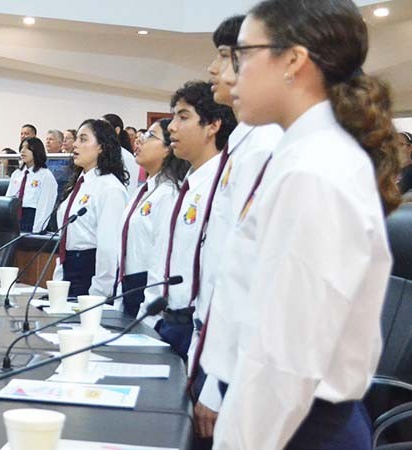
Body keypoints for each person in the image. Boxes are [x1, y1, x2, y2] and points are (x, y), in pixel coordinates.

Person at [200, 1, 400, 448]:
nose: (232, 72)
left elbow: (285, 356)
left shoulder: (316, 169)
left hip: (293, 425)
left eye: (243, 54)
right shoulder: (301, 155)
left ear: (293, 60)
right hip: (283, 415)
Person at [188, 14, 284, 445]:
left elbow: (252, 274)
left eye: (228, 57)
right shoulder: (245, 140)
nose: (214, 69)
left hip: (241, 360)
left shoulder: (264, 146)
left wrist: (219, 379)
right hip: (216, 340)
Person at [139, 81, 236, 360]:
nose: (171, 127)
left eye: (183, 117)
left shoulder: (222, 185)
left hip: (199, 330)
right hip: (170, 320)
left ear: (213, 125)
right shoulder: (190, 183)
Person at [117, 120, 188, 317]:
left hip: (147, 287)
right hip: (128, 284)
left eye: (150, 135)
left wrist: (148, 314)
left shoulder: (169, 193)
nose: (139, 139)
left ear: (167, 149)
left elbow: (162, 257)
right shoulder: (144, 189)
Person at [53, 119, 129, 298]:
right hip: (68, 268)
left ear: (101, 147)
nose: (75, 145)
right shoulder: (79, 183)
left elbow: (109, 248)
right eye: (76, 139)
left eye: (83, 139)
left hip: (89, 270)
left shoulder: (110, 188)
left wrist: (99, 293)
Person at [5, 137, 58, 233]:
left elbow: (45, 206)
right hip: (14, 217)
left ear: (36, 151)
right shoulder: (17, 174)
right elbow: (8, 199)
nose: (23, 151)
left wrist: (37, 229)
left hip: (31, 218)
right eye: (22, 147)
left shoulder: (46, 176)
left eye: (28, 148)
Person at [102, 113, 141, 196]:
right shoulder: (104, 153)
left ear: (117, 130)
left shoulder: (126, 157)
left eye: (103, 128)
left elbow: (129, 188)